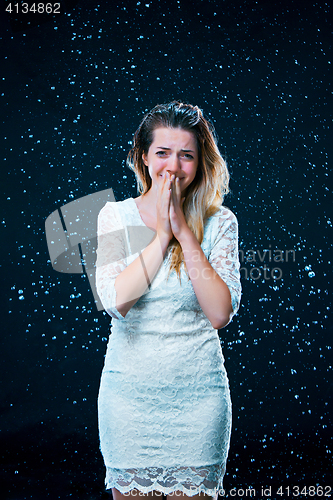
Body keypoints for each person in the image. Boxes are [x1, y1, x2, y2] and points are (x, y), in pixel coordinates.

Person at [95, 101, 241, 500]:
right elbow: (116, 302)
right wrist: (161, 236)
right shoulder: (114, 216)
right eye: (162, 153)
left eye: (186, 155)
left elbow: (219, 313)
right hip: (128, 402)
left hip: (198, 404)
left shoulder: (220, 222)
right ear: (144, 157)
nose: (173, 166)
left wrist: (183, 230)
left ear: (200, 162)